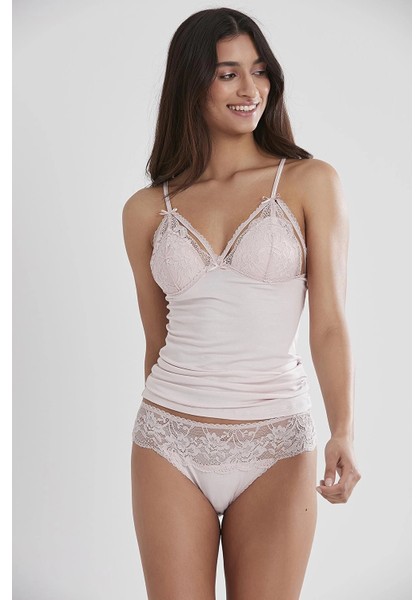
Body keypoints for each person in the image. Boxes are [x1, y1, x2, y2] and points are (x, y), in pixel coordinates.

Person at [122, 7, 361, 600]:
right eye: (228, 74)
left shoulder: (309, 181)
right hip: (168, 438)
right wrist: (172, 421)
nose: (250, 89)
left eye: (259, 71)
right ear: (191, 82)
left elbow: (330, 323)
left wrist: (343, 430)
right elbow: (155, 340)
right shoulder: (146, 209)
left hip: (276, 440)